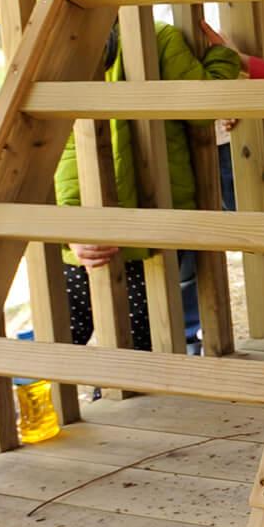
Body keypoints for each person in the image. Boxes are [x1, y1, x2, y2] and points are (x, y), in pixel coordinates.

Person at [54, 18, 243, 357]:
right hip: (149, 218)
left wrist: (67, 223)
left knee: (66, 331)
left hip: (89, 215)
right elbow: (203, 110)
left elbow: (59, 152)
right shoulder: (159, 37)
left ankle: (36, 384)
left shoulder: (60, 47)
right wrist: (223, 56)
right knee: (139, 337)